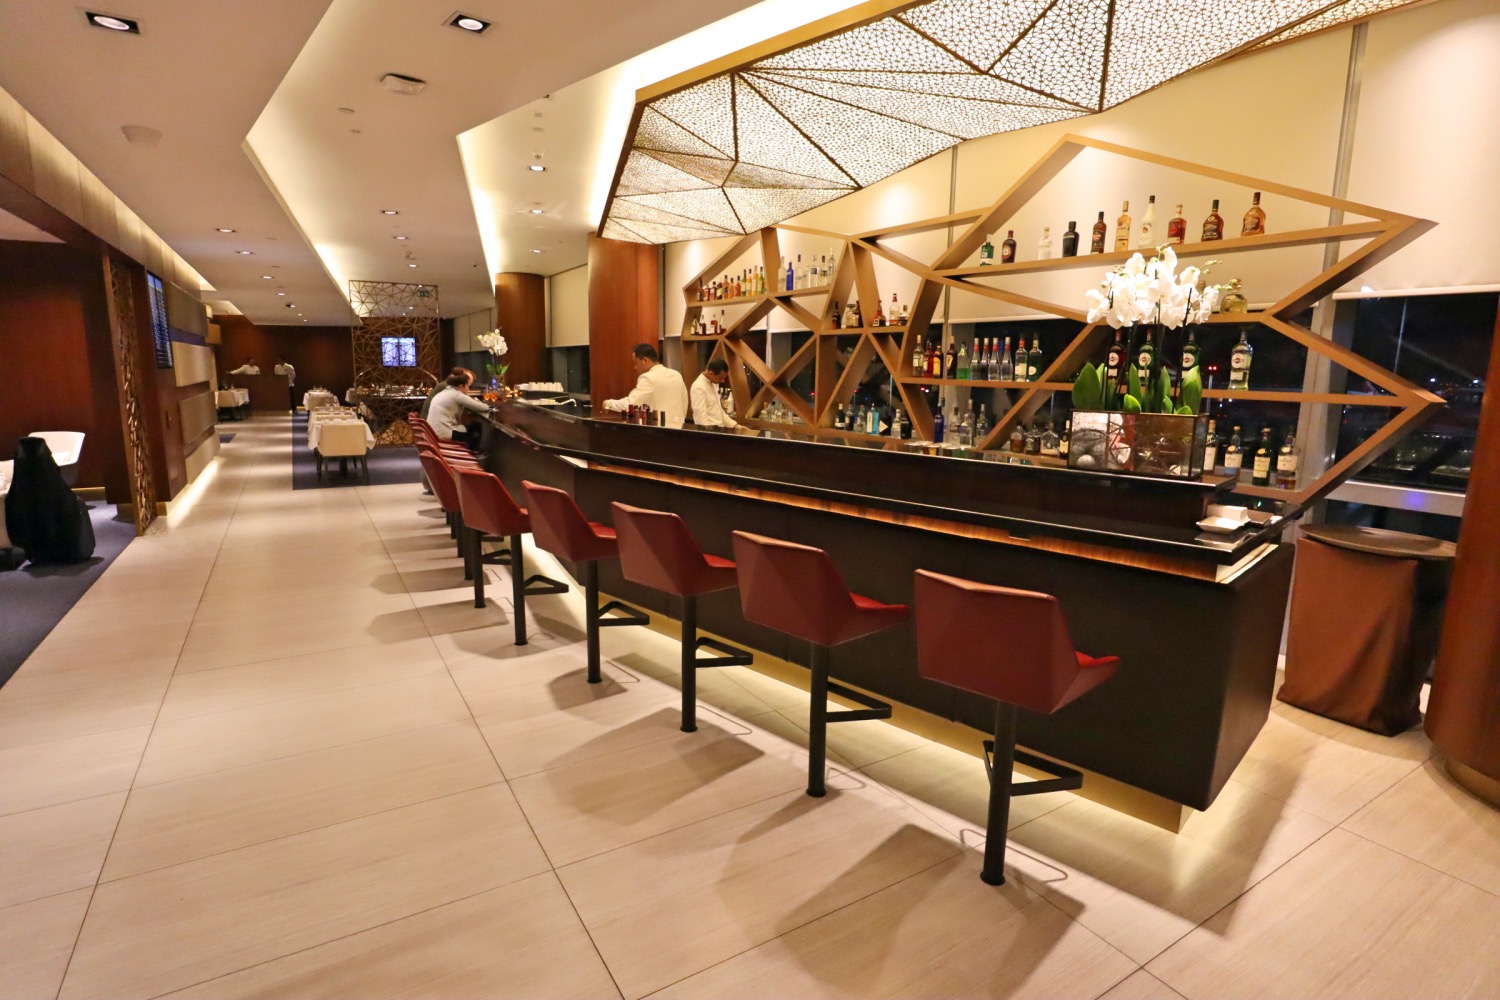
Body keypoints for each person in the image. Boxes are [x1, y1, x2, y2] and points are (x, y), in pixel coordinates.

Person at [602, 344, 688, 428]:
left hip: (658, 431)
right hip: (679, 430)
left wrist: (608, 404)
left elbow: (630, 404)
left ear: (645, 360)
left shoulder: (648, 377)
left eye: (636, 363)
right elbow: (684, 403)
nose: (635, 367)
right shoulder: (676, 375)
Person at [427, 369, 491, 450]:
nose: (468, 389)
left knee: (475, 426)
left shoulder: (444, 392)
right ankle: (476, 454)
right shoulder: (457, 395)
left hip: (434, 432)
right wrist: (490, 406)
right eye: (468, 386)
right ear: (461, 386)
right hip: (444, 433)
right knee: (474, 438)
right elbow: (484, 407)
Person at [690, 359, 738, 429]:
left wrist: (735, 426)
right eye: (720, 378)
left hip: (719, 429)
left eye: (724, 378)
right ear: (711, 373)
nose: (723, 381)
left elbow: (720, 411)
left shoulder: (714, 384)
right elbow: (701, 419)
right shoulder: (698, 387)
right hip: (710, 431)